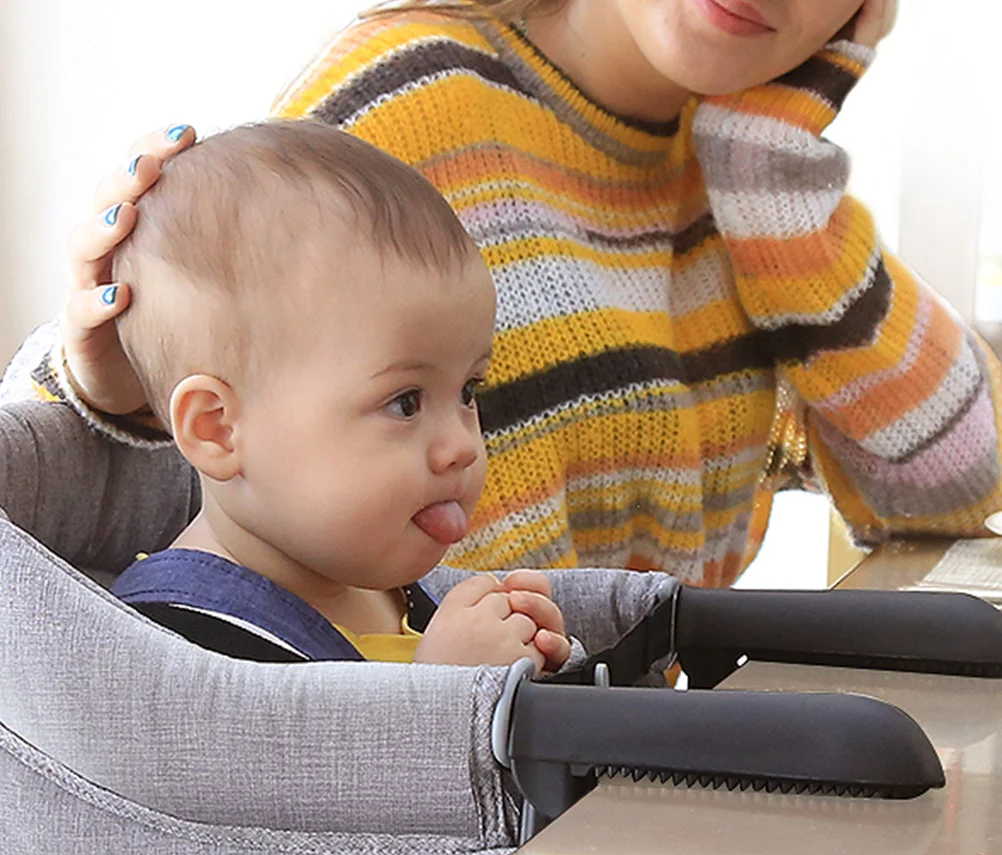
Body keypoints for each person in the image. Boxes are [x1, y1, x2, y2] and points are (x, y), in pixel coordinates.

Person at [7, 0, 1002, 588]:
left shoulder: (745, 182)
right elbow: (201, 482)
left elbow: (953, 489)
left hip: (624, 818)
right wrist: (101, 386)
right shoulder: (411, 103)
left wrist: (775, 172)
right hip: (437, 836)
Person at [102, 119, 572, 672]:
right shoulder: (181, 645)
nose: (462, 446)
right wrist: (444, 696)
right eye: (406, 402)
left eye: (468, 391)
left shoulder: (390, 591)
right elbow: (307, 757)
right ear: (218, 429)